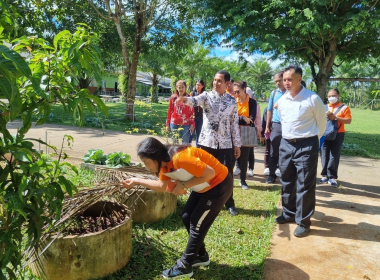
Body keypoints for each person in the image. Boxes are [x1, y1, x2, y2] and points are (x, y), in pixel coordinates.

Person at [122, 137, 233, 279]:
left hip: (219, 186)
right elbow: (162, 187)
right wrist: (136, 181)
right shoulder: (164, 164)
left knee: (196, 224)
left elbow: (210, 173)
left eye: (146, 162)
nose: (146, 166)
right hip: (203, 187)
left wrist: (185, 185)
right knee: (187, 217)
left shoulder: (180, 158)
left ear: (155, 156)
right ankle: (201, 256)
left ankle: (185, 265)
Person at [176, 70, 241, 216]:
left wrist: (237, 144)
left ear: (227, 84)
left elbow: (234, 124)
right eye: (215, 80)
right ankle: (201, 200)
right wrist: (184, 99)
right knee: (202, 172)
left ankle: (229, 203)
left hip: (225, 144)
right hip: (207, 143)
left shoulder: (232, 101)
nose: (215, 83)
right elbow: (194, 101)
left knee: (227, 175)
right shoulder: (206, 96)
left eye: (219, 81)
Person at [275, 65, 326, 237]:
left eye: (290, 79)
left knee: (305, 184)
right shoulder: (282, 100)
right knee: (287, 180)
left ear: (299, 79)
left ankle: (303, 222)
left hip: (306, 144)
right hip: (286, 144)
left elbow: (322, 125)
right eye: (284, 79)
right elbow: (283, 121)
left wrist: (310, 140)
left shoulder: (312, 99)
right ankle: (288, 213)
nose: (286, 83)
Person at [232, 81, 262, 189]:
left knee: (244, 157)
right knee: (232, 156)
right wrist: (242, 118)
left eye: (238, 91)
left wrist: (243, 119)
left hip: (247, 132)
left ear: (244, 89)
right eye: (234, 92)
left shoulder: (253, 103)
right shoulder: (233, 101)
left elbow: (251, 119)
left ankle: (243, 180)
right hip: (234, 131)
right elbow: (232, 118)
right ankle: (229, 179)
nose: (236, 94)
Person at [319, 88, 352, 187]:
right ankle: (324, 175)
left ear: (338, 95)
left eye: (333, 95)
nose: (331, 98)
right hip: (325, 133)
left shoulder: (344, 107)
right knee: (324, 154)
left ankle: (332, 176)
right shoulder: (324, 107)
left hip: (338, 133)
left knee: (334, 155)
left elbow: (348, 120)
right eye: (329, 96)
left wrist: (336, 118)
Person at [265, 71, 286, 183]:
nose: (278, 83)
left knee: (287, 152)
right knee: (273, 151)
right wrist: (267, 126)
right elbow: (269, 110)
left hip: (289, 126)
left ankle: (285, 175)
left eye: (279, 80)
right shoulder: (274, 93)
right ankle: (272, 175)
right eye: (276, 81)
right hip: (276, 125)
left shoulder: (291, 92)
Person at [189, 79, 205, 147]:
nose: (197, 86)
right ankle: (188, 147)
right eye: (196, 85)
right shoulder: (192, 94)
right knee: (190, 133)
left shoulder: (204, 94)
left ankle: (198, 149)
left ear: (202, 86)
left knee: (199, 134)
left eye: (199, 85)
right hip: (193, 117)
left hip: (201, 117)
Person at [261, 106, 271, 175]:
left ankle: (278, 167)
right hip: (269, 131)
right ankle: (267, 167)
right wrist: (262, 135)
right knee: (268, 149)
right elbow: (263, 122)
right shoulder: (267, 108)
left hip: (280, 131)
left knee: (279, 150)